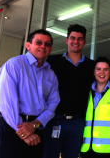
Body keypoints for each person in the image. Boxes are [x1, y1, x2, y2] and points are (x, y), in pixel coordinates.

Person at [0, 29, 60, 158]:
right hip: (12, 126)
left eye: (47, 44)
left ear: (51, 49)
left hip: (37, 127)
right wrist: (23, 132)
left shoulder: (50, 74)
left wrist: (35, 124)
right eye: (39, 42)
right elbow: (6, 103)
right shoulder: (14, 65)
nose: (43, 46)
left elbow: (53, 103)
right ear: (28, 45)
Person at [43, 24, 95, 158]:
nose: (75, 42)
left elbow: (99, 85)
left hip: (78, 123)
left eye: (79, 39)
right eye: (72, 38)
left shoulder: (91, 66)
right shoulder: (52, 61)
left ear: (84, 42)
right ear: (67, 40)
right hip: (54, 121)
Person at [80, 57, 110, 158]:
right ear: (93, 72)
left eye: (106, 69)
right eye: (98, 69)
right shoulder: (85, 92)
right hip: (87, 147)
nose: (102, 72)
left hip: (108, 149)